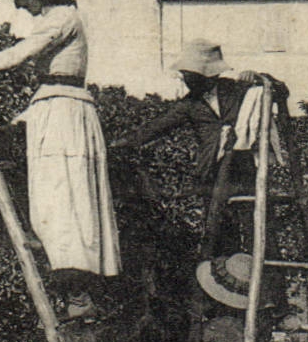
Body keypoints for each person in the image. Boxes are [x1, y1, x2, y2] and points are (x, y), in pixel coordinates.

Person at [0, 0, 119, 320]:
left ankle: (78, 293)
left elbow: (21, 54)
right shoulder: (53, 18)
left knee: (66, 197)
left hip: (65, 113)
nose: (17, 5)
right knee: (50, 193)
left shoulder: (62, 18)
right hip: (52, 109)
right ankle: (64, 279)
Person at [110, 40, 258, 257]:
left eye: (190, 76)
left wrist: (260, 78)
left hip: (242, 171)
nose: (186, 80)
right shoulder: (189, 104)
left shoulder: (235, 89)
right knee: (219, 229)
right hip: (211, 172)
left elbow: (280, 91)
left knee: (252, 223)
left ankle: (259, 282)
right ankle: (221, 279)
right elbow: (156, 127)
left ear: (206, 75)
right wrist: (121, 143)